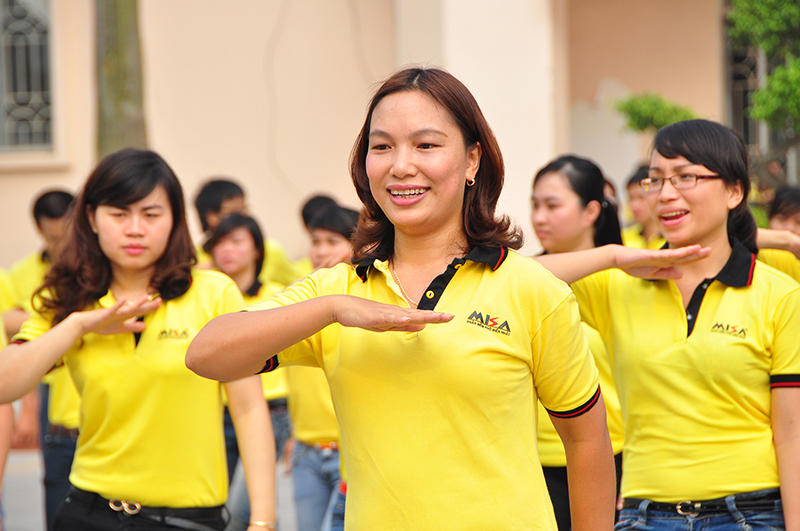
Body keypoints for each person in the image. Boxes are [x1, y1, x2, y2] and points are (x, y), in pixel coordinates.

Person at [187, 66, 626, 531]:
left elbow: (587, 442)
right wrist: (333, 310)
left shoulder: (531, 288)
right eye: (382, 147)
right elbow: (206, 355)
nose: (401, 165)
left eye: (426, 145)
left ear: (472, 160)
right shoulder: (336, 290)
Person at [0, 148, 276, 531]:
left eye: (151, 214)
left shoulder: (213, 293)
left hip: (186, 520)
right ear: (92, 218)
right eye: (119, 214)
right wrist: (78, 325)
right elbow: (5, 384)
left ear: (174, 218)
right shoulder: (69, 298)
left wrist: (263, 521)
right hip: (87, 512)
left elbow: (248, 409)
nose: (134, 229)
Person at [561, 120, 800, 531]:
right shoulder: (617, 284)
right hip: (644, 516)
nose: (666, 194)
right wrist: (615, 256)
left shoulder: (778, 294)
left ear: (734, 192)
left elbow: (792, 434)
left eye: (685, 177)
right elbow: (516, 278)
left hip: (751, 514)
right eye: (655, 180)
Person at [530, 155, 626, 530]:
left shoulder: (624, 278)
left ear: (591, 211)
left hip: (611, 456)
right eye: (535, 205)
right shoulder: (523, 280)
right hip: (533, 461)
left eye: (552, 206)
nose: (539, 217)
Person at [203, 212, 291, 531]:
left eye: (236, 241)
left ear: (257, 250)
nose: (227, 249)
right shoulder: (207, 297)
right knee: (217, 508)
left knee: (243, 511)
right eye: (220, 242)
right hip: (218, 412)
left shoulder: (280, 295)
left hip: (271, 412)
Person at [281, 204, 359, 531]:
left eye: (333, 241)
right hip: (306, 451)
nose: (321, 251)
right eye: (315, 241)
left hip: (351, 453)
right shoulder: (295, 297)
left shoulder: (364, 304)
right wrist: (292, 434)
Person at [194, 178, 302, 287]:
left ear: (257, 253)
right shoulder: (194, 258)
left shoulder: (271, 251)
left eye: (244, 210)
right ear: (211, 217)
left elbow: (302, 284)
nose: (241, 217)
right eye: (233, 212)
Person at [622, 165, 665, 249]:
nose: (634, 205)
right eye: (631, 198)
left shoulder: (671, 237)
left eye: (641, 197)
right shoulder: (624, 237)